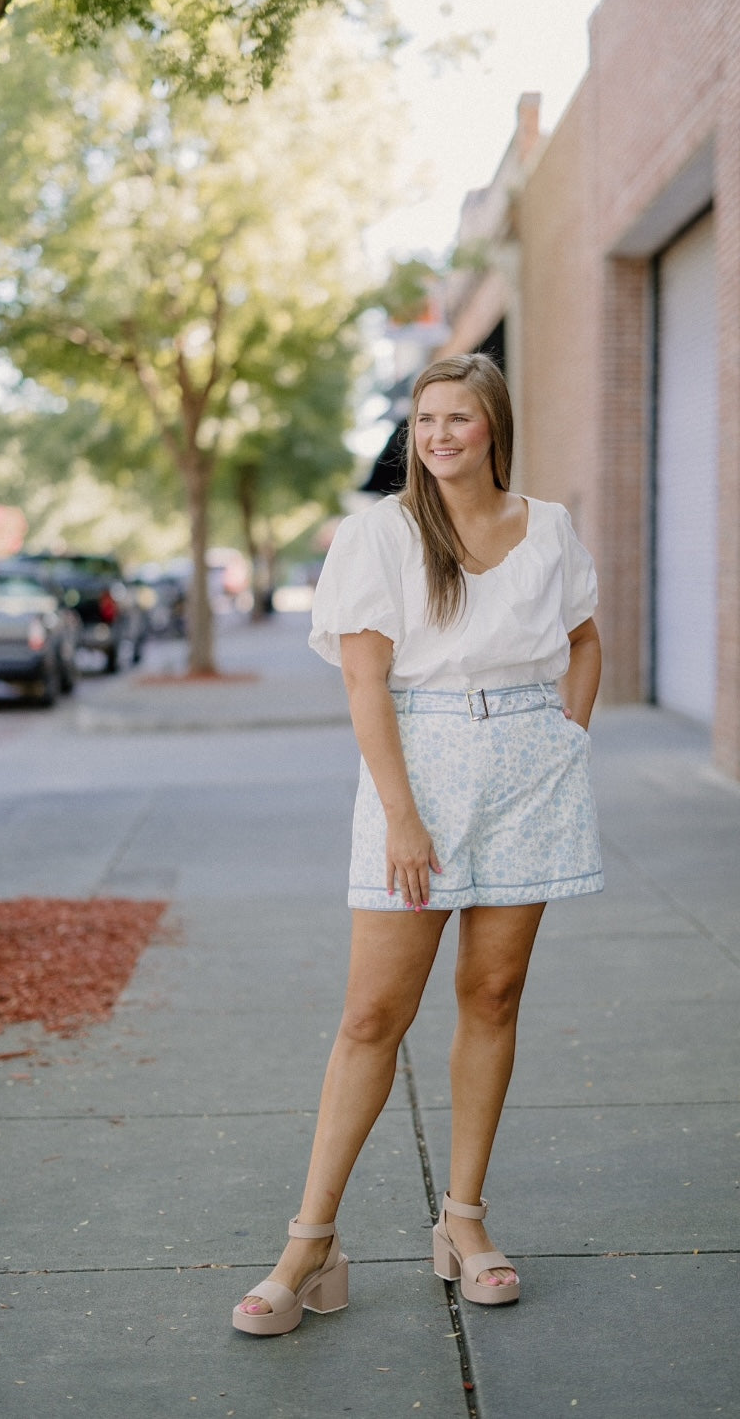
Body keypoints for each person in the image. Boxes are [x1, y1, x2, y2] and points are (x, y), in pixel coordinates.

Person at [233, 352, 603, 1336]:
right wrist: (401, 812)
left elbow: (584, 639)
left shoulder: (549, 527)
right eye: (424, 419)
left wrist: (564, 740)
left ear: (493, 429)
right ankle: (310, 1246)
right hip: (419, 773)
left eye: (458, 418)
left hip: (528, 771)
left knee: (492, 995)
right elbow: (364, 683)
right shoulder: (381, 535)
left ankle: (466, 1225)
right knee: (371, 1016)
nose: (437, 435)